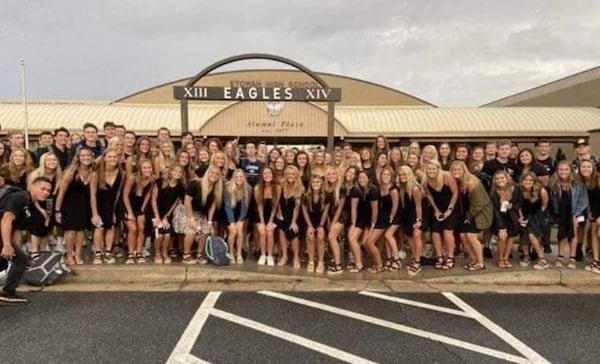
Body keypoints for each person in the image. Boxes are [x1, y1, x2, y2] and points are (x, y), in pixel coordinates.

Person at [0, 177, 52, 304]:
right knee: (17, 259)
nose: (46, 192)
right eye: (42, 188)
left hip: (3, 234)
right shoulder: (21, 197)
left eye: (48, 190)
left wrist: (14, 247)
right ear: (32, 187)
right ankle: (8, 292)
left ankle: (8, 292)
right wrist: (7, 245)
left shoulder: (30, 205)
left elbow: (16, 228)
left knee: (19, 258)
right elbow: (6, 219)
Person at [449, 161, 493, 272]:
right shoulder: (457, 181)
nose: (456, 172)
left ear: (464, 170)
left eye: (459, 170)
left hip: (479, 212)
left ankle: (480, 262)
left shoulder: (472, 182)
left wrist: (468, 217)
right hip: (468, 212)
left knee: (471, 236)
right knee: (463, 236)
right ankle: (474, 260)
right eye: (454, 170)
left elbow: (478, 204)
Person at [550, 161, 589, 268]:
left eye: (566, 169)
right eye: (561, 169)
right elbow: (552, 201)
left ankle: (572, 258)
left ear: (570, 171)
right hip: (561, 213)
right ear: (557, 171)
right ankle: (560, 257)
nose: (563, 172)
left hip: (574, 213)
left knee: (574, 234)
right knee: (561, 234)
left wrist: (576, 214)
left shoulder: (578, 185)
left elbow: (583, 200)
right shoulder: (554, 185)